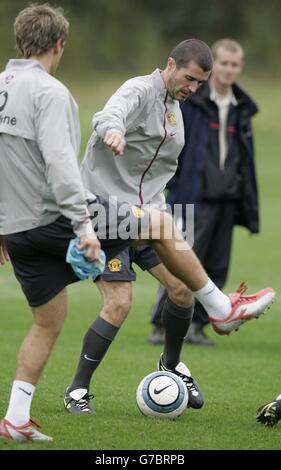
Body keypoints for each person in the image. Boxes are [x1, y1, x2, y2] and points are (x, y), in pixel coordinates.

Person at [63, 39, 275, 417]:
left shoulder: (177, 111)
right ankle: (76, 391)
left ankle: (172, 363)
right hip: (104, 213)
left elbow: (156, 176)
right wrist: (112, 130)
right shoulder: (140, 89)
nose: (193, 89)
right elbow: (109, 113)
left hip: (149, 217)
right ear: (171, 64)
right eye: (190, 79)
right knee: (119, 304)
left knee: (182, 290)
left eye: (200, 84)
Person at [0, 3, 152, 443]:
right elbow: (63, 167)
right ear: (60, 44)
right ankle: (217, 306)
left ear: (20, 38)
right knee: (159, 223)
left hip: (16, 228)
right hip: (51, 220)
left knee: (49, 319)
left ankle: (16, 417)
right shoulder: (51, 92)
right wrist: (85, 229)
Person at [149, 38, 259, 346]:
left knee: (216, 264)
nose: (228, 70)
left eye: (234, 65)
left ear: (240, 68)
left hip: (226, 197)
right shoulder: (192, 100)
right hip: (190, 194)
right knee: (182, 257)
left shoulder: (241, 108)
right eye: (223, 63)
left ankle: (198, 325)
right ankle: (161, 323)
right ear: (214, 67)